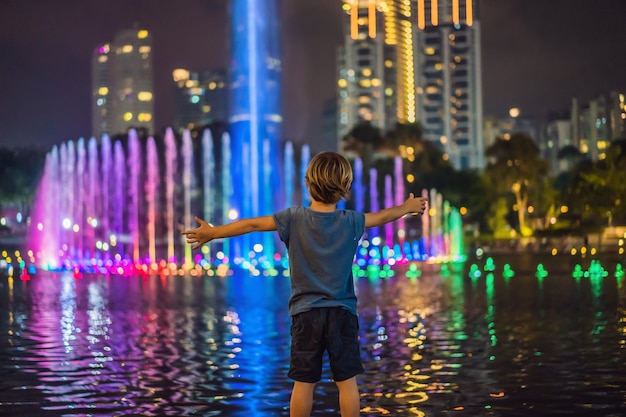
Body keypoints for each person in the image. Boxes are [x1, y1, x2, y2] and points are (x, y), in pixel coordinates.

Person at [182, 151, 427, 417]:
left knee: (304, 383)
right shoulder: (351, 221)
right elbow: (381, 217)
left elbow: (252, 224)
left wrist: (213, 232)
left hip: (306, 314)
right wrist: (407, 208)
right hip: (342, 313)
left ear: (308, 183)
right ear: (345, 187)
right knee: (347, 383)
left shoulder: (293, 218)